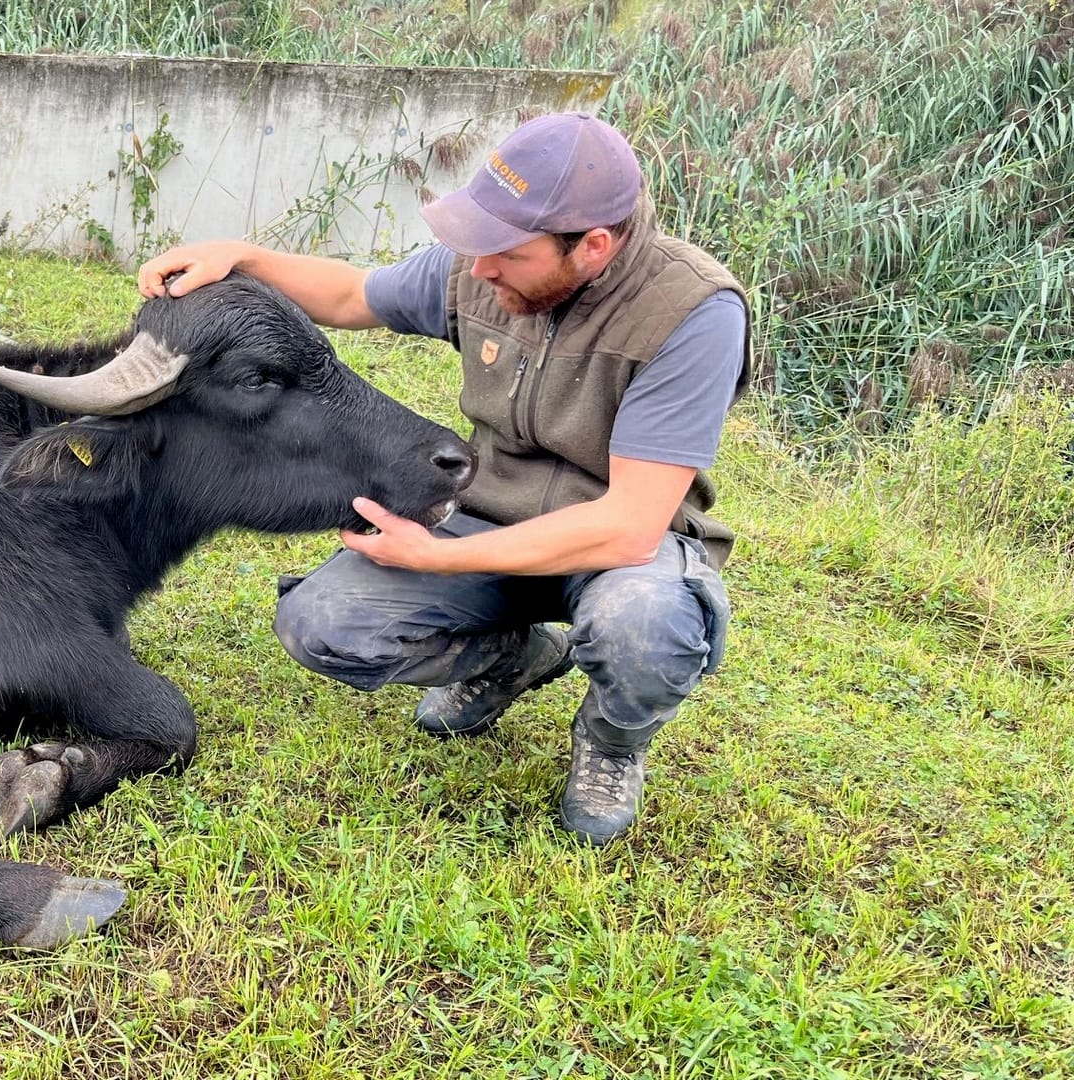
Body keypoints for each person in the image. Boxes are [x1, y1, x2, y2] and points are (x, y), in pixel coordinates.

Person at [137, 112, 748, 845]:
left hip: (621, 549)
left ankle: (613, 744)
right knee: (322, 625)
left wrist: (440, 558)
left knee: (644, 630)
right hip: (490, 514)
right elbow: (351, 294)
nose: (480, 271)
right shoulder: (481, 263)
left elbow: (629, 524)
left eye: (507, 256)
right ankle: (519, 656)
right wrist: (241, 257)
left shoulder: (691, 313)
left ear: (592, 248)